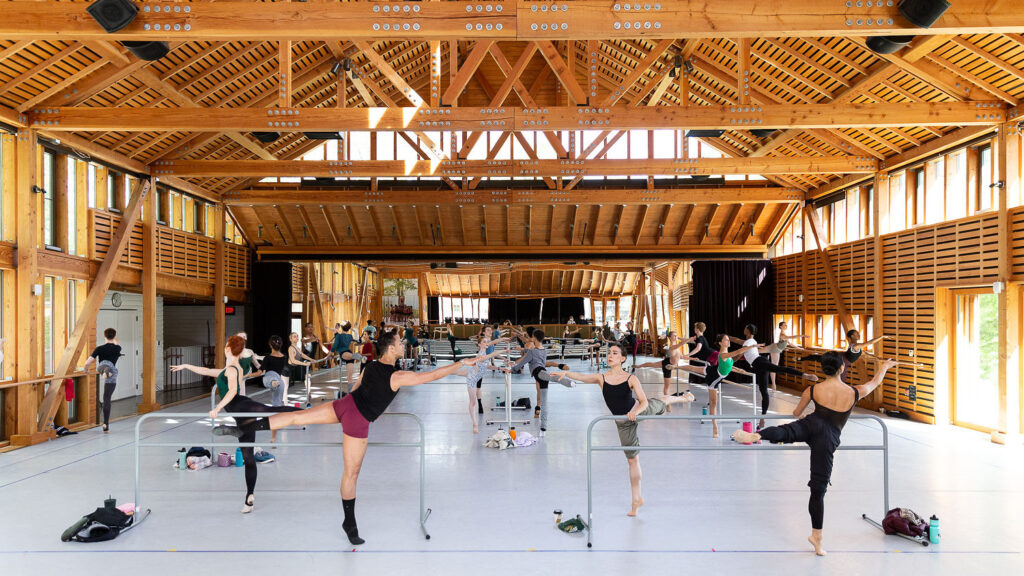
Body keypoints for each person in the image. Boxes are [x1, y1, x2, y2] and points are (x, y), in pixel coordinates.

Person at [211, 330, 491, 544]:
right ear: (391, 348)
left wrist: (372, 405)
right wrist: (462, 363)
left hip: (344, 406)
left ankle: (248, 427)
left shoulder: (370, 366)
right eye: (400, 343)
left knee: (297, 417)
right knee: (351, 472)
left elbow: (355, 389)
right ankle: (349, 524)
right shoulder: (397, 375)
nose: (403, 345)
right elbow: (431, 376)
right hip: (357, 420)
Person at [733, 354, 898, 556]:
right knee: (818, 490)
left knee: (788, 431)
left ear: (824, 370)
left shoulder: (813, 389)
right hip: (827, 439)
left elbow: (796, 413)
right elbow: (874, 383)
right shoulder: (853, 392)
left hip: (811, 424)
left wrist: (803, 418)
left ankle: (757, 434)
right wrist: (884, 367)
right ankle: (817, 538)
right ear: (840, 370)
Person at [551, 343, 695, 516]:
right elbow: (581, 376)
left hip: (637, 411)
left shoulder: (631, 378)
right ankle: (637, 499)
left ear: (623, 358)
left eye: (615, 353)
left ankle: (683, 398)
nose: (610, 356)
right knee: (632, 460)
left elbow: (644, 402)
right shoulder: (601, 378)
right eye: (608, 353)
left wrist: (635, 412)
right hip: (623, 423)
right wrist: (565, 373)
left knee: (660, 401)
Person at [171, 335, 301, 513]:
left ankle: (301, 413)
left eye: (225, 345)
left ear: (228, 349)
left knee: (269, 411)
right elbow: (206, 371)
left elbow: (232, 391)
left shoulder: (232, 369)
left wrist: (217, 408)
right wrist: (186, 366)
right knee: (248, 457)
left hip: (240, 406)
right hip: (240, 412)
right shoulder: (230, 368)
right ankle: (249, 497)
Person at [731, 324, 818, 428]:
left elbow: (739, 354)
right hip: (759, 365)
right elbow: (737, 340)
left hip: (759, 362)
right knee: (764, 392)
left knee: (779, 370)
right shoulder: (751, 341)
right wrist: (728, 337)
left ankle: (804, 375)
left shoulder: (748, 342)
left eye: (745, 328)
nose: (744, 329)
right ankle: (762, 418)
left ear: (748, 331)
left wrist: (729, 361)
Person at [502, 328, 572, 435]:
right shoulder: (543, 350)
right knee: (544, 402)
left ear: (534, 337)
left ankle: (567, 382)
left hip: (539, 373)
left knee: (551, 377)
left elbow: (522, 363)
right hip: (542, 373)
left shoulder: (532, 351)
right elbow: (543, 363)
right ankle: (543, 428)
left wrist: (511, 369)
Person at [703, 333, 759, 438]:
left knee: (694, 368)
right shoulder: (722, 354)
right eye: (726, 340)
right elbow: (738, 352)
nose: (728, 341)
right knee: (713, 403)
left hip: (715, 371)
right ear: (720, 343)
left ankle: (677, 366)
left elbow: (727, 365)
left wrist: (738, 369)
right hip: (713, 378)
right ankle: (715, 427)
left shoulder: (726, 355)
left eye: (729, 340)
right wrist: (752, 346)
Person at [458, 327, 509, 432]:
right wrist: (505, 350)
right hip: (472, 379)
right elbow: (492, 355)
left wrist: (499, 368)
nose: (487, 343)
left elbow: (488, 366)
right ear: (480, 344)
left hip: (474, 373)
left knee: (457, 371)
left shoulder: (484, 354)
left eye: (487, 342)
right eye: (484, 342)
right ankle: (475, 424)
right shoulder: (481, 355)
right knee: (472, 402)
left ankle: (447, 371)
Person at [633, 331, 706, 397]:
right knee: (667, 386)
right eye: (674, 335)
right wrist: (688, 339)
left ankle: (639, 366)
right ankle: (667, 401)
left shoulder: (676, 347)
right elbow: (680, 344)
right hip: (667, 366)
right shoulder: (672, 347)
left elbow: (681, 356)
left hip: (668, 361)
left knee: (653, 364)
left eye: (676, 335)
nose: (676, 337)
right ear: (670, 337)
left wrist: (693, 358)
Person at [83, 328, 122, 433]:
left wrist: (85, 370)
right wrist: (114, 338)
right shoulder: (118, 348)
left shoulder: (99, 348)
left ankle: (105, 371)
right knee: (107, 398)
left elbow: (87, 362)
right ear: (114, 337)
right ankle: (106, 424)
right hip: (112, 373)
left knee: (103, 366)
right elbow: (117, 343)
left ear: (104, 336)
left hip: (101, 367)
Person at [331, 322, 365, 396]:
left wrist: (330, 353)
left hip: (343, 353)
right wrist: (355, 328)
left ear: (341, 328)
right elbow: (357, 339)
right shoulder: (349, 336)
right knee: (350, 377)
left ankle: (357, 356)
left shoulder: (339, 336)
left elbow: (335, 345)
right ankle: (350, 393)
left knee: (349, 376)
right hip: (349, 353)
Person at [260, 335, 289, 407]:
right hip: (279, 380)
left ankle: (273, 382)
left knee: (268, 378)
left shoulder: (267, 358)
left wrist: (247, 375)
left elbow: (259, 372)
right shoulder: (284, 356)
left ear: (270, 345)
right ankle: (274, 382)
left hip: (271, 376)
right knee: (277, 403)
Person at [287, 332, 315, 398]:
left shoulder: (297, 347)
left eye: (297, 336)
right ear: (290, 339)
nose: (297, 338)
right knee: (285, 387)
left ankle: (308, 392)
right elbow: (293, 360)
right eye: (294, 336)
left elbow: (302, 355)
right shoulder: (290, 348)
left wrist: (311, 359)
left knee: (307, 376)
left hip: (296, 366)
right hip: (289, 368)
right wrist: (304, 364)